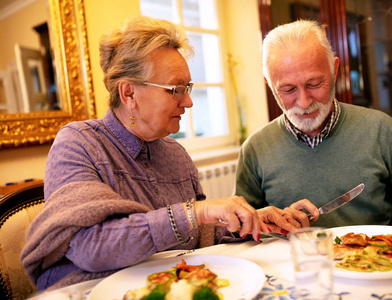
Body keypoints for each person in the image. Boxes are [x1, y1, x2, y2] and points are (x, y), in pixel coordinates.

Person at [20, 16, 268, 291]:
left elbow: (201, 235)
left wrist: (255, 221)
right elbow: (91, 247)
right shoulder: (79, 144)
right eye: (176, 89)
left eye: (188, 88)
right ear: (129, 94)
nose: (187, 101)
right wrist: (194, 212)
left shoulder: (176, 155)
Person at [235, 19, 392, 240]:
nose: (304, 102)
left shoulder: (381, 130)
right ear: (269, 84)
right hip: (292, 271)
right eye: (288, 90)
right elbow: (239, 228)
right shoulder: (254, 149)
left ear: (334, 70)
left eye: (314, 84)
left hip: (376, 265)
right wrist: (265, 223)